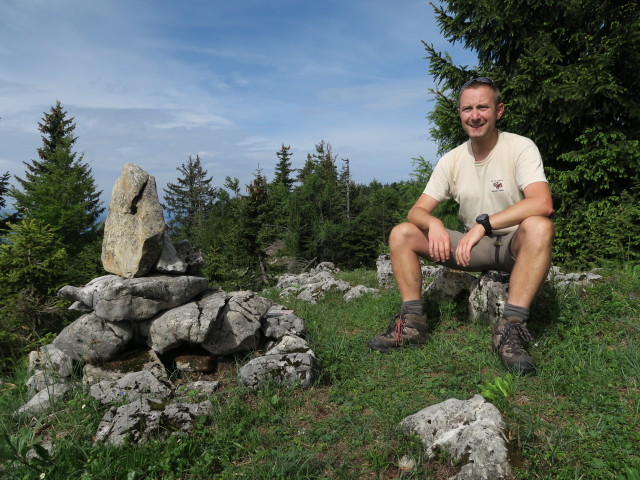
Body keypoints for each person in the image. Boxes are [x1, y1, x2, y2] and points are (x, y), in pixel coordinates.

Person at [368, 77, 554, 374]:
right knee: (402, 233)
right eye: (467, 108)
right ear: (460, 113)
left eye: (483, 107)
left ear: (499, 110)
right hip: (473, 249)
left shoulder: (520, 147)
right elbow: (416, 211)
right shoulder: (452, 160)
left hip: (514, 244)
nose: (475, 115)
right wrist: (434, 224)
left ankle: (510, 330)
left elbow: (541, 203)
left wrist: (484, 224)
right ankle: (413, 324)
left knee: (539, 226)